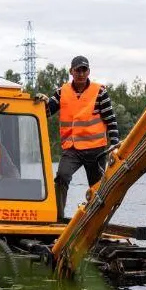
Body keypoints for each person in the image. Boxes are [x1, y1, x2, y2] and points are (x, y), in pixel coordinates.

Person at [36, 55, 119, 219]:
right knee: (61, 177)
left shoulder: (100, 92)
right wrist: (42, 102)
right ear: (71, 72)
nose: (81, 73)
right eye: (77, 70)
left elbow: (111, 120)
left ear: (88, 71)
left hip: (96, 150)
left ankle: (95, 219)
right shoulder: (62, 91)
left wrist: (114, 144)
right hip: (72, 149)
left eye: (84, 70)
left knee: (97, 188)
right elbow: (47, 112)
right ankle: (58, 218)